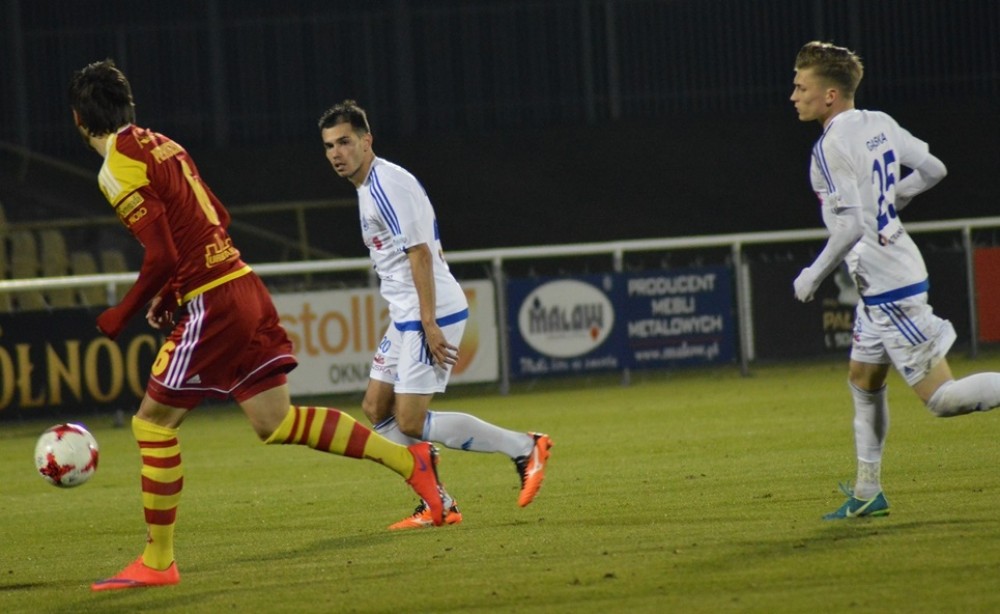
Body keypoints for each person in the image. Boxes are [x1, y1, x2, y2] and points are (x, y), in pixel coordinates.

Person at [69, 60, 447, 592]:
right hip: (242, 284)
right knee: (275, 421)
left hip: (213, 300)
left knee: (151, 424)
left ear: (79, 118)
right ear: (128, 106)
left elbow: (161, 254)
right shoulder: (163, 145)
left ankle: (158, 560)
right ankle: (412, 464)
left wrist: (122, 311)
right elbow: (217, 217)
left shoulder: (117, 166)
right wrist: (172, 291)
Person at [317, 100, 553, 530]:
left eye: (345, 142)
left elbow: (420, 253)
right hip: (408, 312)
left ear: (367, 141)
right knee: (376, 407)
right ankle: (438, 502)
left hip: (431, 310)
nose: (337, 153)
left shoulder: (386, 184)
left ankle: (524, 447)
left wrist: (428, 323)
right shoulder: (369, 186)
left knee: (409, 418)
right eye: (330, 145)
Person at [790, 41, 1000, 519]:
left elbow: (849, 226)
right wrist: (894, 199)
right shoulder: (879, 122)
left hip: (888, 286)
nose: (793, 96)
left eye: (801, 87)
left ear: (829, 95)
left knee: (943, 399)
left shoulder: (830, 146)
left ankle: (869, 490)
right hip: (887, 276)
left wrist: (812, 274)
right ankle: (868, 491)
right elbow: (934, 169)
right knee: (863, 379)